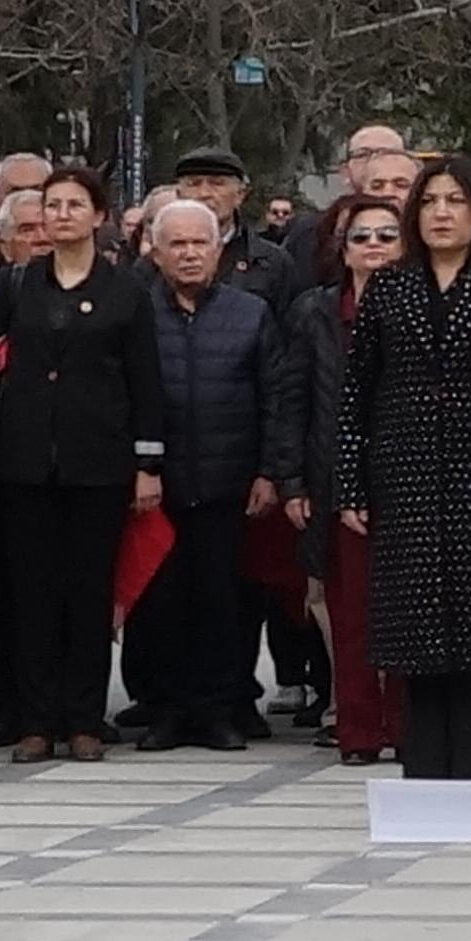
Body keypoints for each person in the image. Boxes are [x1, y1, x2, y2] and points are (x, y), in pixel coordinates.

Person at [332, 158, 471, 780]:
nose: (440, 213)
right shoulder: (390, 287)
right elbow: (357, 392)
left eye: (455, 201)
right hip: (403, 477)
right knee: (415, 635)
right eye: (430, 201)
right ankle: (423, 776)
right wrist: (350, 481)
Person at [0, 170, 162, 763]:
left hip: (98, 463)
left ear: (98, 215)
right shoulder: (17, 283)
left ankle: (84, 719)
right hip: (25, 463)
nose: (61, 215)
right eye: (52, 205)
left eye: (74, 205)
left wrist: (148, 462)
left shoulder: (126, 290)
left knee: (88, 594)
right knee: (31, 595)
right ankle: (36, 720)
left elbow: (145, 380)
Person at [135, 199, 297, 752]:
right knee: (161, 603)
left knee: (224, 602)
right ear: (156, 253)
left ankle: (217, 711)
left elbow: (276, 397)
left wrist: (270, 472)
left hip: (230, 484)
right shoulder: (136, 312)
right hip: (158, 488)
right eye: (176, 244)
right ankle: (166, 712)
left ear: (217, 249)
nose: (189, 254)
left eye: (199, 243)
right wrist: (140, 468)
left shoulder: (251, 312)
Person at [287, 194, 408, 764]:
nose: (374, 246)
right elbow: (292, 399)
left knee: (408, 614)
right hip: (334, 479)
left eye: (387, 235)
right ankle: (358, 730)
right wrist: (291, 481)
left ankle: (406, 727)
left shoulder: (425, 304)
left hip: (409, 479)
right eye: (362, 237)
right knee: (350, 612)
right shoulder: (314, 311)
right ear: (343, 248)